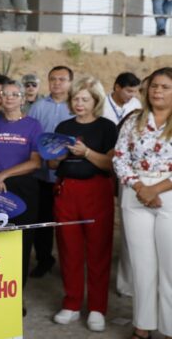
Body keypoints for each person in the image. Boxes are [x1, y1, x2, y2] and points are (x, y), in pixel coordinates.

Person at [49, 77, 117, 332]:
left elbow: (110, 164)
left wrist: (85, 152)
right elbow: (51, 163)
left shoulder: (107, 127)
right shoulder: (63, 125)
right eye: (76, 98)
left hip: (97, 190)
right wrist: (59, 155)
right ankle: (72, 303)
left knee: (99, 251)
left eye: (85, 99)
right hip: (66, 190)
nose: (79, 103)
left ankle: (98, 308)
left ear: (96, 101)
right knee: (69, 249)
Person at [113, 67, 172, 339]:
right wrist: (140, 187)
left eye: (165, 87)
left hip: (168, 192)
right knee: (142, 265)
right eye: (154, 86)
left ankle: (169, 328)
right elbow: (119, 157)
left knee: (170, 266)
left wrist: (154, 189)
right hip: (134, 193)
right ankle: (142, 326)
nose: (157, 91)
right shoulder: (134, 120)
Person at [0, 79, 42, 304]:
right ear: (0, 98)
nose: (10, 98)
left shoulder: (33, 125)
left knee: (21, 244)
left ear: (23, 99)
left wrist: (2, 175)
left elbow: (35, 162)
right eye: (5, 94)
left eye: (15, 94)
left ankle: (16, 298)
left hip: (23, 188)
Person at [28, 66, 74, 278]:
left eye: (62, 79)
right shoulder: (38, 106)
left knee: (67, 224)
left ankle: (70, 265)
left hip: (67, 176)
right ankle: (44, 259)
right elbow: (30, 136)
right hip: (41, 175)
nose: (57, 83)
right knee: (43, 221)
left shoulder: (75, 106)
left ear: (70, 82)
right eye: (53, 79)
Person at [102, 72, 141, 298]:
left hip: (141, 176)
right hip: (113, 166)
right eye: (128, 90)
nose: (132, 95)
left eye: (135, 91)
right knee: (127, 230)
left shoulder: (136, 106)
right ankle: (126, 282)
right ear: (116, 87)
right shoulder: (102, 105)